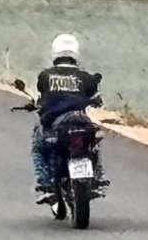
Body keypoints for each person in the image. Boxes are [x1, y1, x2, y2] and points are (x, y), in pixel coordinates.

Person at [30, 31, 102, 199]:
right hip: (81, 121)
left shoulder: (45, 76)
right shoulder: (85, 77)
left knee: (39, 148)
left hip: (57, 124)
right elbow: (94, 95)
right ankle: (98, 176)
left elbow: (42, 96)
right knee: (94, 144)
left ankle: (45, 184)